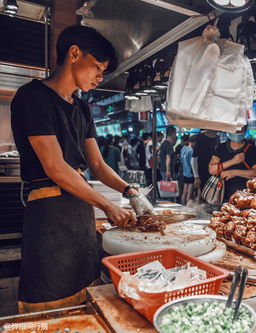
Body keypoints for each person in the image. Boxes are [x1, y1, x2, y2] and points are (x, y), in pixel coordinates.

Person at [10, 25, 152, 313]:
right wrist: (108, 206)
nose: (100, 77)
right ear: (74, 53)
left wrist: (130, 191)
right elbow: (55, 167)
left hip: (80, 210)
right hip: (49, 211)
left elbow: (97, 165)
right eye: (98, 67)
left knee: (84, 294)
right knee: (49, 297)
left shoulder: (82, 108)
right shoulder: (32, 97)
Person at [209, 126, 256, 202]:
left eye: (240, 129)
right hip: (222, 196)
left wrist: (234, 172)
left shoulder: (252, 150)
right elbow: (212, 170)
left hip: (246, 197)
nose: (237, 132)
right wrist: (233, 161)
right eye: (234, 129)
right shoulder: (221, 147)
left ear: (244, 129)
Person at [180, 135, 197, 205]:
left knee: (184, 192)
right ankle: (187, 208)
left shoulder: (183, 148)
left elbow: (181, 160)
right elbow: (192, 163)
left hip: (184, 172)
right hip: (190, 173)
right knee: (189, 194)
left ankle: (182, 205)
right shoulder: (191, 150)